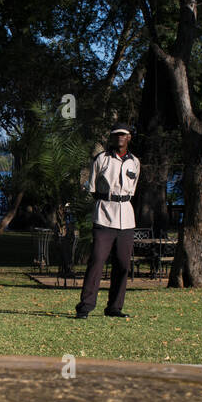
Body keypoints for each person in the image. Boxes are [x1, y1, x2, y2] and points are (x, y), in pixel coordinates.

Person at [75, 127, 140, 319]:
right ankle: (85, 307)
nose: (119, 137)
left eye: (123, 134)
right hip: (104, 215)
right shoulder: (101, 159)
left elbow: (133, 189)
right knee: (97, 261)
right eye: (116, 134)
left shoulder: (135, 162)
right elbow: (92, 187)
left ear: (128, 137)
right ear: (112, 137)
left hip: (126, 218)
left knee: (123, 264)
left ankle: (114, 307)